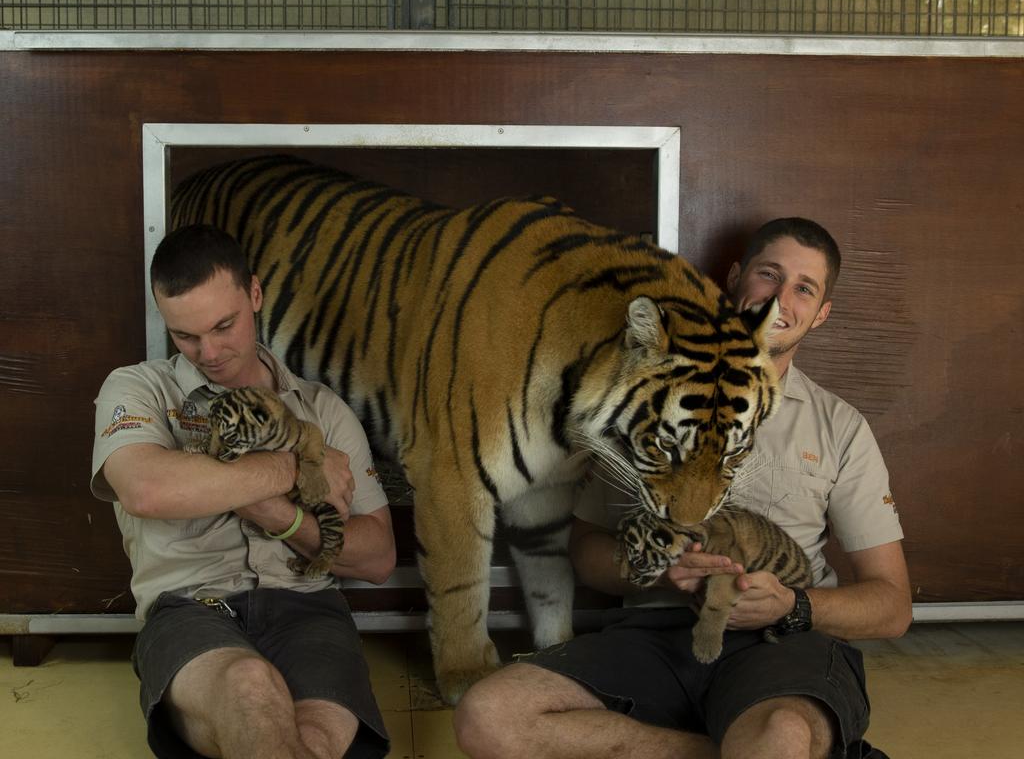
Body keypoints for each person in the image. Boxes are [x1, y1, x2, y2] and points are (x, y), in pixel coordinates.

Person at [454, 217, 912, 759]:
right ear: (736, 277)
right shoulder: (647, 394)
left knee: (782, 733)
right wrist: (658, 574)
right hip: (651, 632)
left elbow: (892, 606)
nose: (782, 299)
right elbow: (587, 552)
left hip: (779, 641)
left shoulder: (841, 427)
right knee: (489, 717)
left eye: (804, 288)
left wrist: (792, 606)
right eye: (770, 275)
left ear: (822, 314)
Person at [91, 224, 396, 759]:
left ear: (254, 294)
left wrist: (276, 513)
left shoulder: (322, 409)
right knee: (251, 690)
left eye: (224, 325)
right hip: (189, 609)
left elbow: (377, 557)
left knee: (316, 739)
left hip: (309, 609)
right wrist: (294, 464)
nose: (208, 351)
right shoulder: (137, 388)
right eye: (185, 335)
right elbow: (144, 489)